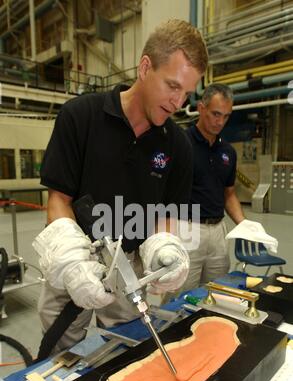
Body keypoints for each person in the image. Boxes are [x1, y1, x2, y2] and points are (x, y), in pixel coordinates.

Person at [32, 19, 208, 352]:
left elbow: (169, 215)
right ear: (145, 67)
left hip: (132, 268)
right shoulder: (80, 116)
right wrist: (72, 266)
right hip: (75, 258)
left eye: (186, 92)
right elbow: (58, 200)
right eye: (172, 85)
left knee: (129, 351)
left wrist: (166, 251)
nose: (178, 101)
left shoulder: (178, 145)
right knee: (59, 356)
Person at [178, 83, 245, 292]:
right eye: (216, 114)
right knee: (179, 297)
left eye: (226, 116)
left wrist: (244, 224)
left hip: (218, 231)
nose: (220, 122)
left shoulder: (228, 152)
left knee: (217, 293)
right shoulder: (180, 143)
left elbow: (229, 194)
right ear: (201, 108)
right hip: (187, 228)